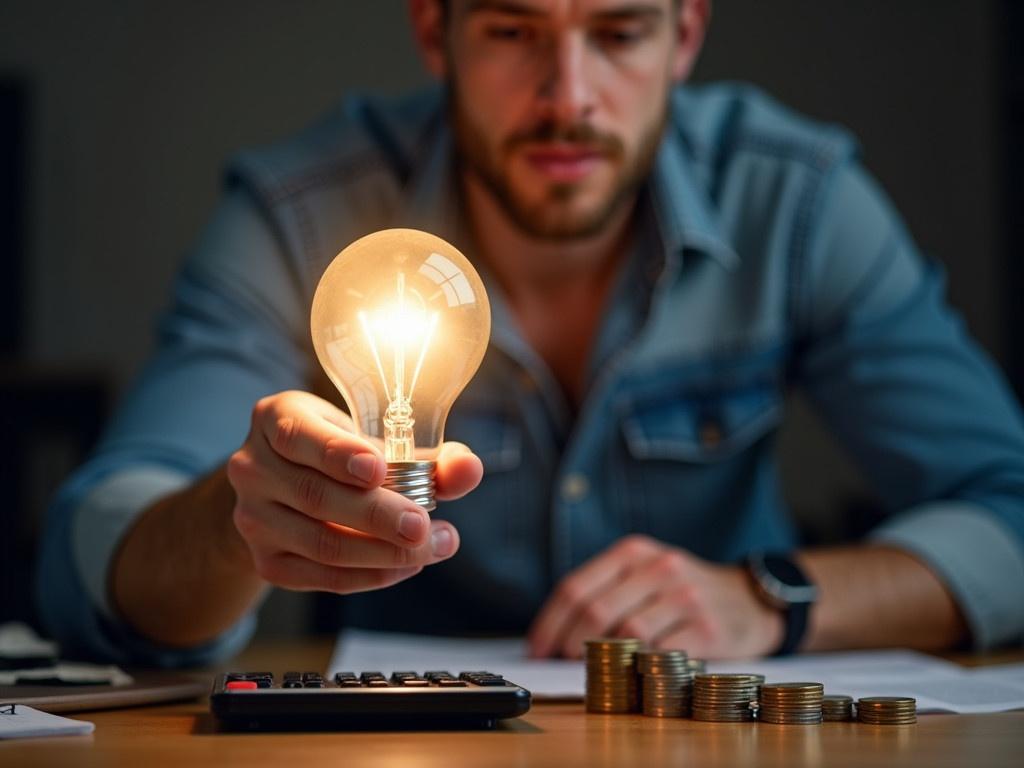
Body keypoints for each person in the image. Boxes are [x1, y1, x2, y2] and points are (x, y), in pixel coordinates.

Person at [37, 0, 1024, 666]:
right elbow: (92, 553)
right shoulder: (297, 216)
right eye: (513, 30)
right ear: (436, 29)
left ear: (685, 35)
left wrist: (769, 600)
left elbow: (1011, 504)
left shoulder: (795, 205)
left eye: (619, 32)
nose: (568, 97)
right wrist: (235, 520)